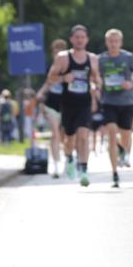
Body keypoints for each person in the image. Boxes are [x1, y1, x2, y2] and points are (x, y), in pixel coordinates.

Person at [47, 24, 101, 187]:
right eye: (76, 37)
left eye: (82, 37)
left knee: (84, 135)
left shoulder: (93, 59)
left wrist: (96, 85)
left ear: (87, 40)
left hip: (84, 102)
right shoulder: (63, 57)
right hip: (68, 103)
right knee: (69, 138)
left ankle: (84, 169)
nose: (79, 40)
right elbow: (51, 78)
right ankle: (69, 158)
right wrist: (64, 78)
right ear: (71, 39)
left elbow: (96, 78)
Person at [98, 28, 133, 188]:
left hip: (126, 101)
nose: (113, 44)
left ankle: (122, 150)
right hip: (108, 101)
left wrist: (131, 83)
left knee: (125, 135)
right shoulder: (100, 59)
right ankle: (114, 173)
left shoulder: (128, 57)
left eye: (116, 41)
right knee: (111, 133)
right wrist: (96, 85)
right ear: (106, 42)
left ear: (121, 42)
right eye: (111, 41)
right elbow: (95, 77)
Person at [37, 39, 69, 178]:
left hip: (68, 103)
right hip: (52, 104)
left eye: (60, 52)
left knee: (67, 135)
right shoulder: (51, 67)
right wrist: (41, 92)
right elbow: (48, 83)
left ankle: (69, 159)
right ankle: (56, 164)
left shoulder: (69, 65)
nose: (57, 54)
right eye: (55, 52)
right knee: (55, 134)